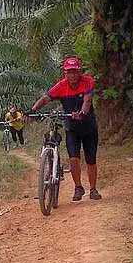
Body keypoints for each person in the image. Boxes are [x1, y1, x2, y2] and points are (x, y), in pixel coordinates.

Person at [30, 57, 101, 201]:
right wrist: (32, 110)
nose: (72, 75)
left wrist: (82, 113)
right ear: (65, 73)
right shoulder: (61, 86)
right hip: (72, 128)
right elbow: (45, 98)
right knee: (73, 158)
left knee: (91, 160)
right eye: (69, 72)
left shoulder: (87, 81)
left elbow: (87, 101)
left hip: (88, 126)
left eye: (75, 71)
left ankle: (93, 189)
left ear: (79, 71)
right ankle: (78, 187)